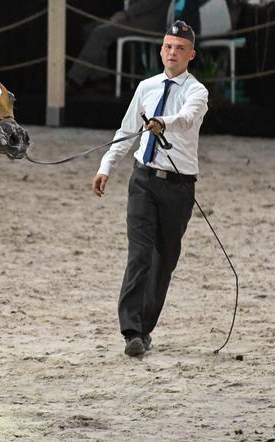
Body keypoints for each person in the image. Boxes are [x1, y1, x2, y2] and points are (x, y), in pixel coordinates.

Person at [91, 20, 209, 357]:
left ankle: (145, 328)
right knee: (139, 255)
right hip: (143, 180)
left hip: (179, 187)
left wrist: (162, 123)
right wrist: (106, 166)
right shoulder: (146, 87)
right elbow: (127, 129)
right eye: (168, 46)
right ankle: (131, 331)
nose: (173, 53)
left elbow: (186, 119)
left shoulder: (196, 91)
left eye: (180, 48)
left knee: (164, 260)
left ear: (191, 54)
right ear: (161, 50)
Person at [67, 0, 172, 91]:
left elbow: (149, 3)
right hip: (136, 17)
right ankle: (99, 77)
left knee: (100, 33)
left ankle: (74, 80)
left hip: (150, 21)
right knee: (90, 28)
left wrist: (126, 14)